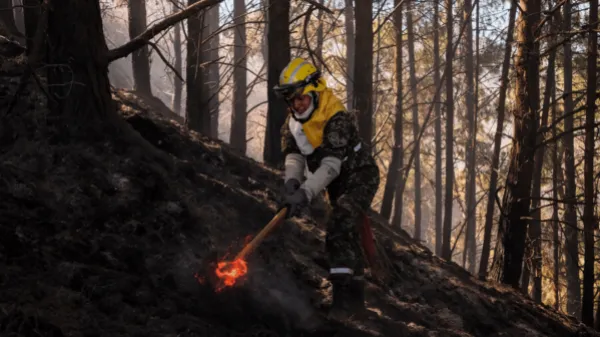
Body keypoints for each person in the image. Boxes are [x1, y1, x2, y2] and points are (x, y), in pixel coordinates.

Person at [274, 57, 380, 319]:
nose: (297, 104)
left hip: (358, 175)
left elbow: (331, 165)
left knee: (340, 224)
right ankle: (357, 302)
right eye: (292, 99)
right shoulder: (292, 124)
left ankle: (343, 304)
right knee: (347, 231)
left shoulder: (337, 118)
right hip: (334, 181)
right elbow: (295, 156)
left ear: (314, 90)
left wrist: (306, 193)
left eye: (301, 97)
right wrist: (291, 183)